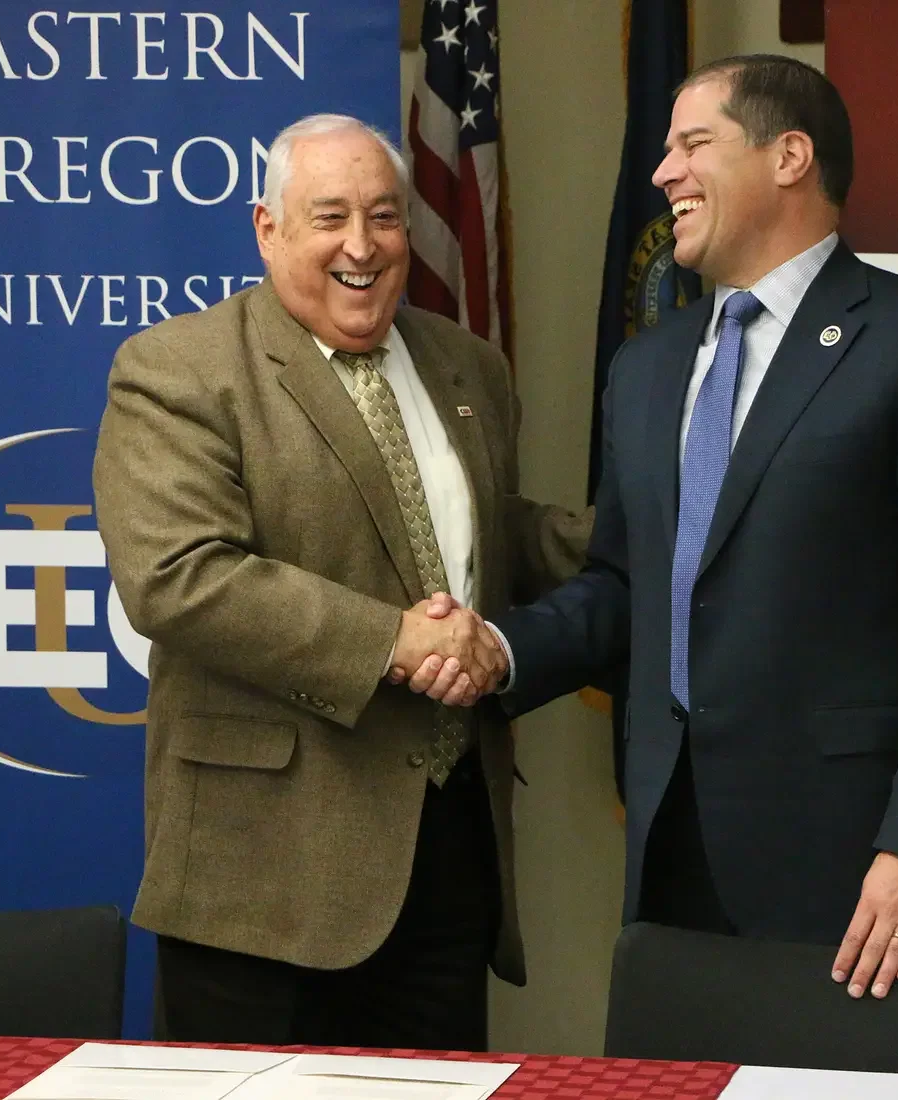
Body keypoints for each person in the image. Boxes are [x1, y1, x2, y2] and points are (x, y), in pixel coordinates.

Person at [403, 55, 898, 1002]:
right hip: (672, 856)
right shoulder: (649, 367)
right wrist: (497, 648)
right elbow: (625, 584)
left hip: (859, 876)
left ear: (790, 156)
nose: (664, 173)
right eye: (664, 150)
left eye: (694, 143)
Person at [93, 113, 588, 1049]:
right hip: (266, 880)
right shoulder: (177, 370)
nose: (361, 246)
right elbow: (178, 575)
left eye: (384, 217)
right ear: (267, 228)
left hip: (449, 860)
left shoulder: (466, 362)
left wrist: (666, 536)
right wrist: (399, 642)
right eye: (329, 218)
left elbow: (489, 534)